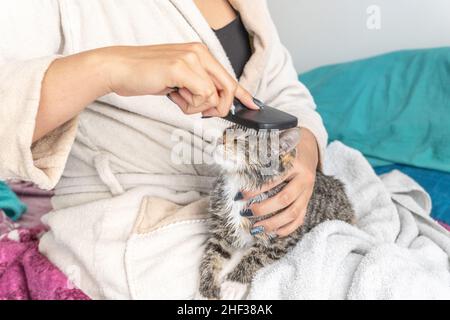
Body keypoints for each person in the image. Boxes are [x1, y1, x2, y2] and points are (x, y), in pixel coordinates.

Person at [0, 0, 328, 298]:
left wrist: (304, 150)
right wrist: (107, 69)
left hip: (248, 206)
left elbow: (286, 93)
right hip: (140, 234)